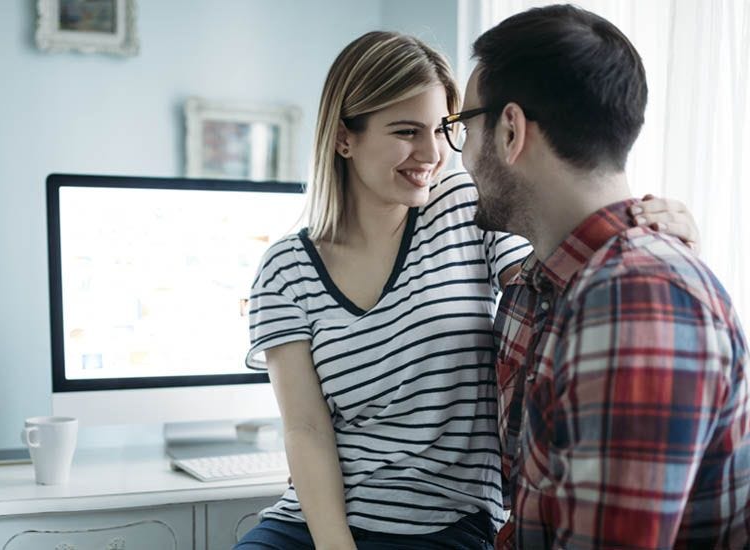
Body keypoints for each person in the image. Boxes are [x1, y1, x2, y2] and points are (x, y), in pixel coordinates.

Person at [235, 30, 698, 550]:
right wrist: (335, 545)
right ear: (345, 137)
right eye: (407, 131)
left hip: (446, 524)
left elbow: (555, 284)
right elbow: (306, 431)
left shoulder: (463, 205)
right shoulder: (285, 269)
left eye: (441, 128)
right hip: (316, 524)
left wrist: (644, 232)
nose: (432, 153)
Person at [451, 5, 750, 548]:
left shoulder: (639, 301)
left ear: (510, 130)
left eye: (463, 126)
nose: (462, 154)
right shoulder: (526, 291)